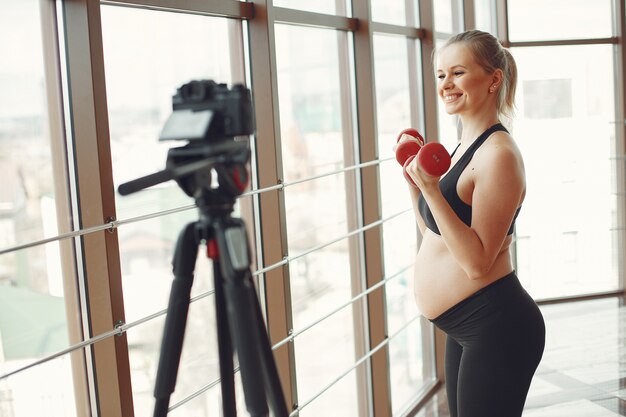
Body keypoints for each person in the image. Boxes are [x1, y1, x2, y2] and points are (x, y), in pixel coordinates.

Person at [399, 30, 545, 417]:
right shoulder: (463, 146)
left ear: (494, 79)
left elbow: (477, 262)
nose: (447, 84)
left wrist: (432, 191)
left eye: (458, 72)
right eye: (441, 75)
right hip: (464, 326)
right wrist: (415, 187)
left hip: (497, 326)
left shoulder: (498, 154)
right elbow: (438, 236)